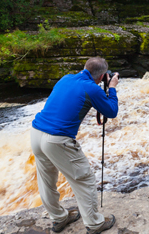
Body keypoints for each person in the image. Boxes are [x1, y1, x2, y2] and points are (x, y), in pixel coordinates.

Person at [30, 57, 119, 234]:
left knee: (46, 180)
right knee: (84, 179)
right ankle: (94, 224)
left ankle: (59, 218)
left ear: (85, 68)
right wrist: (113, 88)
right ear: (102, 76)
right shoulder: (92, 88)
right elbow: (111, 111)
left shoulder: (66, 78)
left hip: (36, 132)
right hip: (57, 139)